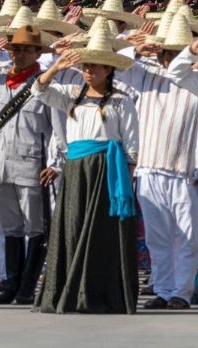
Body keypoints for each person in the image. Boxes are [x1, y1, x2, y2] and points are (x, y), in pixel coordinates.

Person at [32, 19, 139, 314]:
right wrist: (56, 68)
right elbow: (38, 91)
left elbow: (131, 148)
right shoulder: (69, 95)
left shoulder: (120, 101)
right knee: (73, 226)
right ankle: (68, 289)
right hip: (76, 169)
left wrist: (126, 183)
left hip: (107, 169)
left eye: (96, 67)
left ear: (108, 69)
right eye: (86, 66)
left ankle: (99, 292)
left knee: (103, 232)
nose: (89, 71)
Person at [0, 25, 60, 305]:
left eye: (26, 50)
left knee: (35, 227)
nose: (19, 54)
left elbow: (57, 129)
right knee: (10, 227)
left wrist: (55, 162)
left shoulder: (45, 83)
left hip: (32, 164)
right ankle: (11, 282)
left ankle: (27, 286)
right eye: (15, 49)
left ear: (37, 53)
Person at [125, 14, 198, 309]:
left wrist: (189, 53)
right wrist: (135, 50)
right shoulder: (143, 72)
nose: (167, 57)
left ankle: (182, 292)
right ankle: (165, 289)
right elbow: (112, 66)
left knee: (187, 236)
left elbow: (179, 70)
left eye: (172, 51)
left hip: (183, 169)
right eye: (165, 51)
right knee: (158, 239)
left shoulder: (192, 77)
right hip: (149, 165)